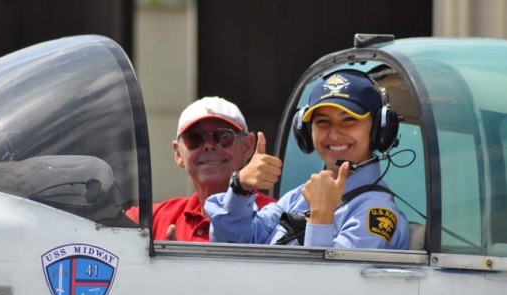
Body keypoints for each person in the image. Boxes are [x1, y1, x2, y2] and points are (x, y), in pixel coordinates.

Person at [205, 70, 409, 249]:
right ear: (306, 132)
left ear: (378, 129)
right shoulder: (297, 198)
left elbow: (332, 286)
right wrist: (240, 188)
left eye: (349, 120)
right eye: (323, 122)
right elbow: (231, 244)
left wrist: (321, 219)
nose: (335, 134)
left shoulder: (377, 212)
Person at [126, 96, 275, 241]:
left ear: (247, 146)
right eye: (195, 138)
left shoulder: (274, 217)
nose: (209, 145)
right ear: (178, 153)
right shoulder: (151, 220)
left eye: (223, 136)